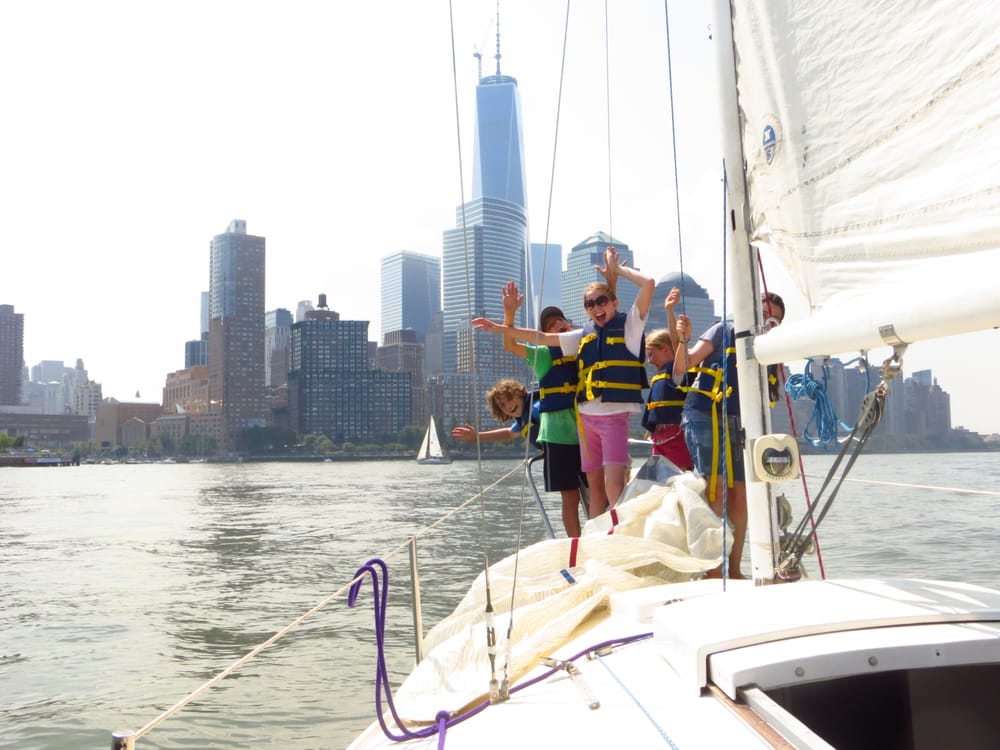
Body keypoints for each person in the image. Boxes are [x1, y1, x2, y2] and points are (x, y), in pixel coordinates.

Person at [473, 247, 655, 517]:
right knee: (595, 490)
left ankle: (618, 533)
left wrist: (617, 271)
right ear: (585, 311)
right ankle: (596, 536)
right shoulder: (581, 337)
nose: (596, 307)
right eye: (590, 304)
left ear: (614, 302)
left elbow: (647, 285)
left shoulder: (629, 326)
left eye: (601, 301)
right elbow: (541, 338)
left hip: (613, 416)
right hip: (586, 421)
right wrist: (500, 326)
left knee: (614, 486)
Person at [673, 291, 785, 579]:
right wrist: (683, 340)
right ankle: (714, 570)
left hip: (742, 422)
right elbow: (682, 367)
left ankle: (733, 569)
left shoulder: (773, 350)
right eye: (763, 314)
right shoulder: (723, 330)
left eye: (774, 320)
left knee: (741, 495)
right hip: (705, 415)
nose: (767, 322)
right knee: (717, 489)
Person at [498, 281, 586, 537]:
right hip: (558, 435)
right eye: (550, 325)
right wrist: (510, 313)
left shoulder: (585, 348)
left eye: (560, 320)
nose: (557, 324)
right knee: (570, 496)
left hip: (588, 431)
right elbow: (510, 345)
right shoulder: (544, 355)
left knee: (598, 489)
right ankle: (575, 545)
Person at [642, 287, 693, 471]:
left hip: (676, 438)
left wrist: (669, 310)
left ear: (665, 350)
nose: (649, 361)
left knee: (680, 477)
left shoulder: (677, 371)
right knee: (661, 480)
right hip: (659, 439)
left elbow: (676, 342)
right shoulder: (662, 375)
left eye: (651, 354)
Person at [451, 378, 541, 452]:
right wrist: (477, 436)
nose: (508, 406)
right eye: (502, 405)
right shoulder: (524, 419)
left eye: (509, 398)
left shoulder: (536, 408)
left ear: (519, 393)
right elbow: (510, 433)